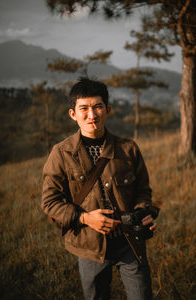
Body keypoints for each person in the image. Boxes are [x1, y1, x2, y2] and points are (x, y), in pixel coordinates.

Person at [42, 77, 157, 300]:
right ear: (73, 114)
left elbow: (143, 190)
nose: (92, 115)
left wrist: (144, 212)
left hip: (129, 243)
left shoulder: (128, 148)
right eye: (84, 108)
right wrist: (86, 219)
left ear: (108, 109)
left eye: (97, 107)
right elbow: (49, 202)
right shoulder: (61, 153)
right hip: (88, 246)